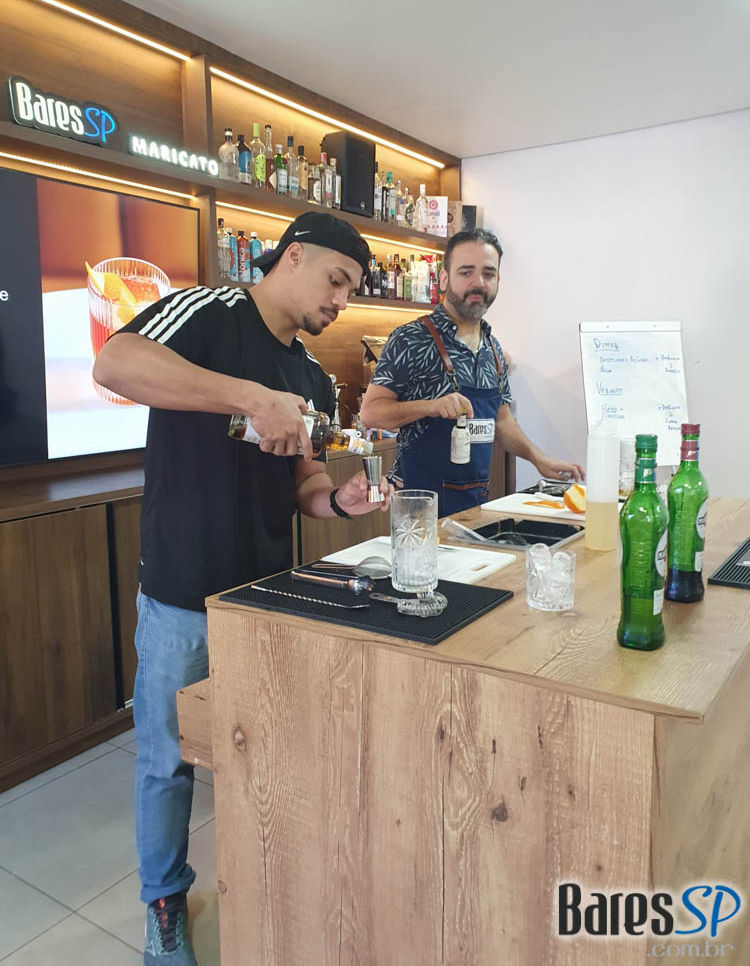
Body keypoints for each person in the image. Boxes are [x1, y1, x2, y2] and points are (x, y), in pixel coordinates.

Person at [93, 211, 390, 966]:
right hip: (182, 592)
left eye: (351, 291)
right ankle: (164, 903)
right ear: (293, 257)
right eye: (336, 281)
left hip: (266, 598)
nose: (340, 301)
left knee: (262, 753)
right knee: (168, 760)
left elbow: (305, 481)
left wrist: (338, 501)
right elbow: (115, 364)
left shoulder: (310, 373)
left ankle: (264, 887)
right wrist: (250, 397)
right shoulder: (210, 311)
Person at [359, 228, 583, 516]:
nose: (478, 283)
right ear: (443, 278)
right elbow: (371, 413)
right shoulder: (411, 339)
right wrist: (431, 406)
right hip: (419, 510)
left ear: (498, 281)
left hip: (475, 508)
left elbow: (502, 420)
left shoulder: (493, 349)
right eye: (466, 272)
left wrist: (539, 460)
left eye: (488, 274)